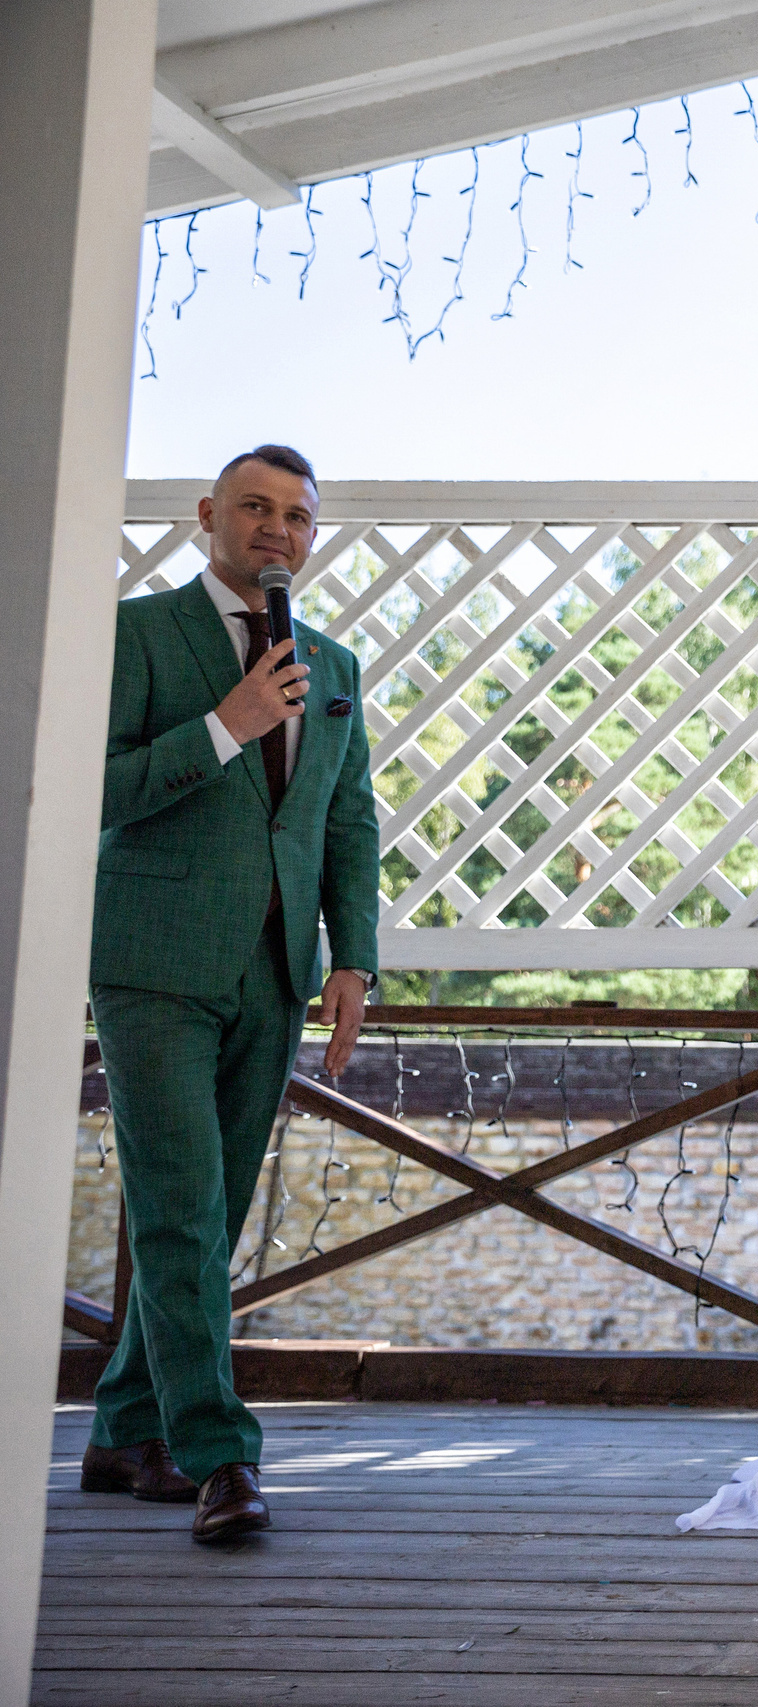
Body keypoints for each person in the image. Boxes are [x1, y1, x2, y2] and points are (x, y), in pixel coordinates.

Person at [82, 445, 380, 1544]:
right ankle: (221, 1457)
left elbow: (346, 821)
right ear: (209, 515)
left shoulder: (335, 664)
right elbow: (91, 792)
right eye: (255, 508)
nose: (277, 530)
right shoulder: (134, 635)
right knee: (182, 1211)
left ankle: (123, 1426)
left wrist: (353, 959)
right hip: (154, 961)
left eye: (297, 516)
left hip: (274, 975)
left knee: (203, 1219)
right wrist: (225, 727)